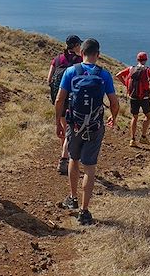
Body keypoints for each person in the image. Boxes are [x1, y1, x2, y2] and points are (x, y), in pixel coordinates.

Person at [54, 38, 119, 225]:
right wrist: (113, 118)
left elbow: (60, 100)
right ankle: (84, 211)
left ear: (81, 53)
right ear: (97, 54)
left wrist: (58, 122)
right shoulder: (104, 75)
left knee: (73, 159)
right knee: (90, 167)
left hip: (74, 125)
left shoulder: (71, 71)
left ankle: (72, 198)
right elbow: (114, 103)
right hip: (95, 127)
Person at [46, 34, 83, 175]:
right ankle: (64, 159)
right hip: (72, 100)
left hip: (58, 100)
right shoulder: (79, 61)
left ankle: (65, 156)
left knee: (63, 128)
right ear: (75, 46)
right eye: (79, 44)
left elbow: (49, 79)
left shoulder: (56, 59)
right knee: (69, 131)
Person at [115, 51, 150, 147]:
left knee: (134, 117)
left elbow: (118, 75)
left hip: (133, 96)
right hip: (144, 97)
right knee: (147, 116)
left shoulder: (131, 68)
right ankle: (143, 137)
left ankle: (132, 140)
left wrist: (126, 84)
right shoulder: (148, 70)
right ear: (146, 60)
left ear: (137, 60)